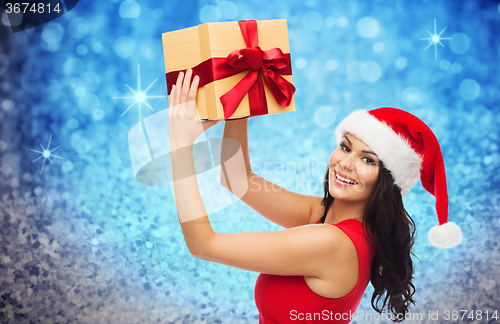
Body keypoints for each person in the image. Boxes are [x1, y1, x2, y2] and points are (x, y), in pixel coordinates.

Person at [168, 68, 462, 323]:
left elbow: (203, 244)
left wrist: (180, 145)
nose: (346, 163)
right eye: (346, 147)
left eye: (368, 160)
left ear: (387, 181)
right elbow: (236, 179)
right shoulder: (324, 216)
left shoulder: (332, 243)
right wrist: (242, 100)